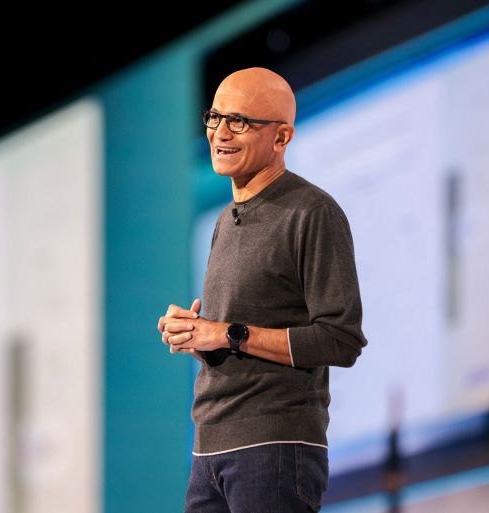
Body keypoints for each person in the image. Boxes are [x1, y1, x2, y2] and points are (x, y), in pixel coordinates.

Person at [156, 67, 368, 512]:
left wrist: (228, 333)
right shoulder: (223, 222)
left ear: (282, 136)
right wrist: (197, 335)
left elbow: (341, 339)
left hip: (274, 446)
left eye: (240, 121)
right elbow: (236, 341)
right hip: (208, 450)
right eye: (214, 117)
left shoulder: (313, 212)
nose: (220, 132)